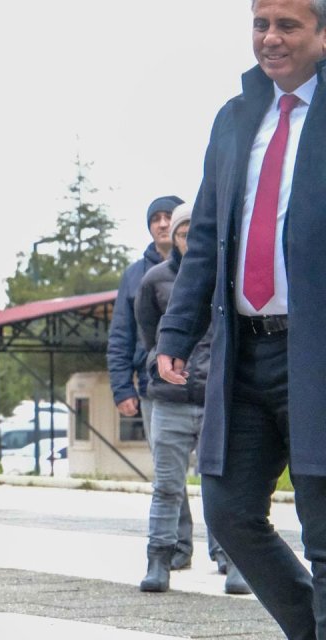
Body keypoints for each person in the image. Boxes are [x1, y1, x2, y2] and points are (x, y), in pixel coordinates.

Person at [158, 0, 326, 636]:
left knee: (324, 533)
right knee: (229, 513)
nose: (270, 38)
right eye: (261, 24)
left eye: (288, 25)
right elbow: (205, 235)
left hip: (317, 356)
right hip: (244, 355)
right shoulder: (234, 120)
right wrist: (177, 330)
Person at [135, 204, 248, 595]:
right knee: (167, 486)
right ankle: (159, 559)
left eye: (192, 232)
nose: (186, 238)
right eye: (181, 233)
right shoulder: (153, 280)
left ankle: (233, 560)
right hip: (170, 399)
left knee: (222, 486)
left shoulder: (226, 277)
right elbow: (148, 335)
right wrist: (160, 366)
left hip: (217, 397)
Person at [107, 194, 195, 570]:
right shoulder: (135, 276)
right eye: (155, 218)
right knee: (168, 473)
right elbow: (123, 334)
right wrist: (122, 387)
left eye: (167, 217)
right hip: (153, 388)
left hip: (204, 384)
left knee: (214, 471)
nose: (161, 223)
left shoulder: (205, 266)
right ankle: (178, 546)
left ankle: (225, 552)